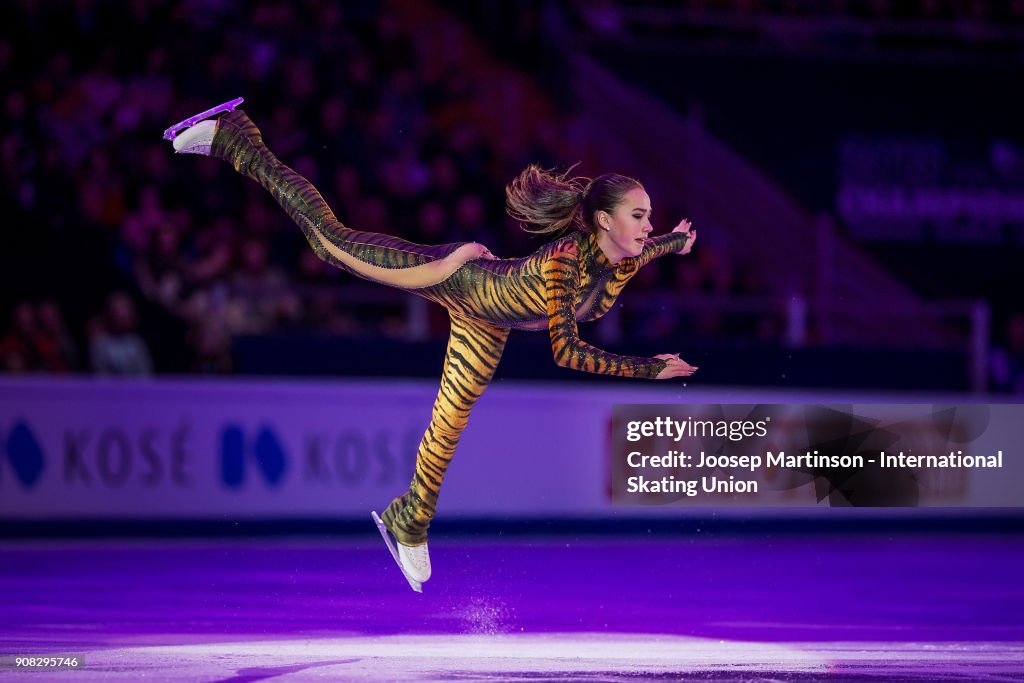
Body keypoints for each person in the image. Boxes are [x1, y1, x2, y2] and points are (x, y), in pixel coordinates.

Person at [166, 101, 698, 590]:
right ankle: (237, 138)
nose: (648, 227)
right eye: (640, 216)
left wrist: (678, 240)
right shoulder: (565, 262)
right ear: (604, 221)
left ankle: (409, 520)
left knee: (448, 426)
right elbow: (565, 352)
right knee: (329, 242)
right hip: (458, 279)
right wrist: (652, 371)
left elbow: (655, 249)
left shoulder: (628, 255)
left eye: (649, 217)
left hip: (489, 324)